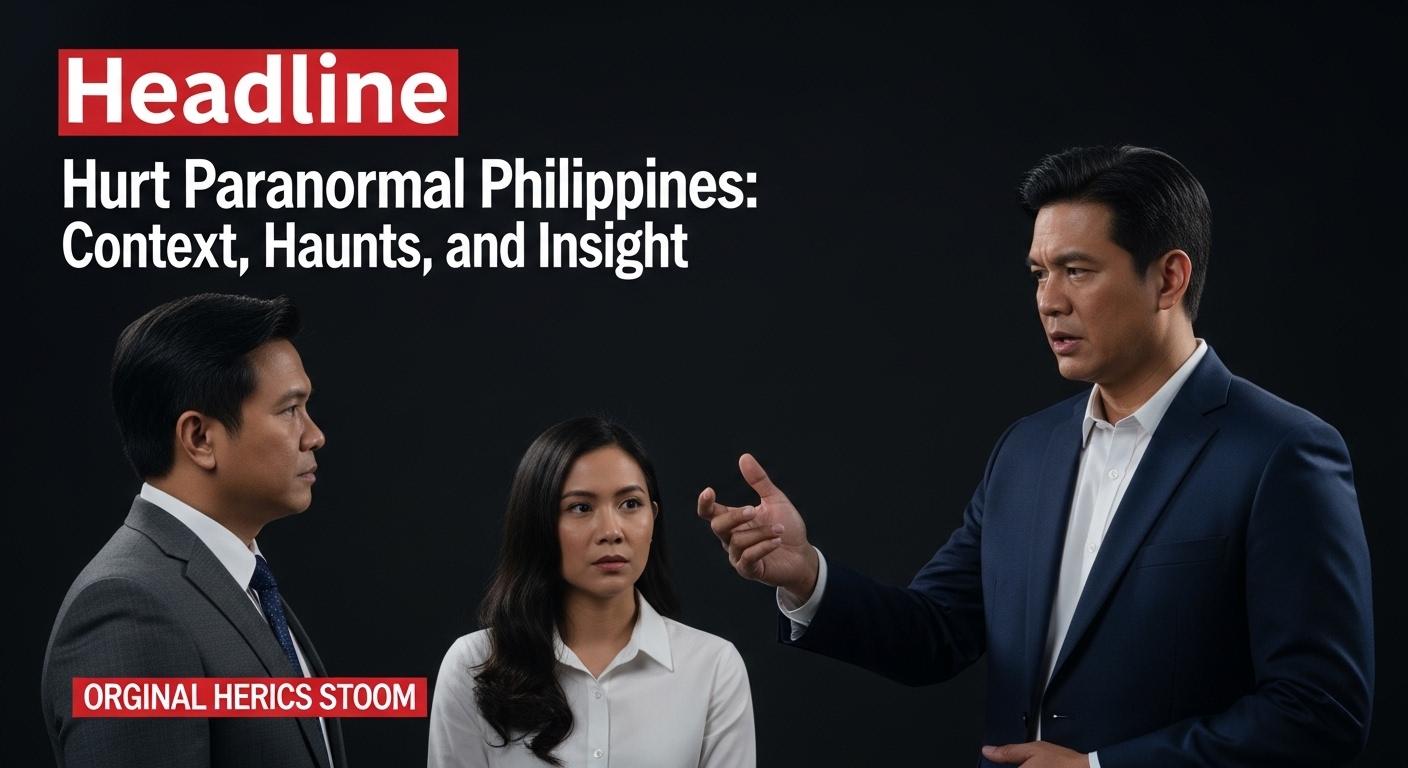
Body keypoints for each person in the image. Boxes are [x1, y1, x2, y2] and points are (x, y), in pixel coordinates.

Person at [698, 146, 1374, 767]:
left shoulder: (1281, 452)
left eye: (1077, 270)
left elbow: (1320, 710)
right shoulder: (1026, 451)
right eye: (1039, 273)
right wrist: (805, 577)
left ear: (1168, 278)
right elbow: (936, 634)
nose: (1048, 301)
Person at [41, 293, 344, 768]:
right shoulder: (128, 610)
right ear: (200, 438)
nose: (314, 434)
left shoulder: (242, 583)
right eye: (290, 410)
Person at [429, 417, 755, 768]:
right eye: (581, 507)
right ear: (539, 525)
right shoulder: (474, 664)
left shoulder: (713, 668)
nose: (612, 531)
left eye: (630, 504)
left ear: (653, 518)